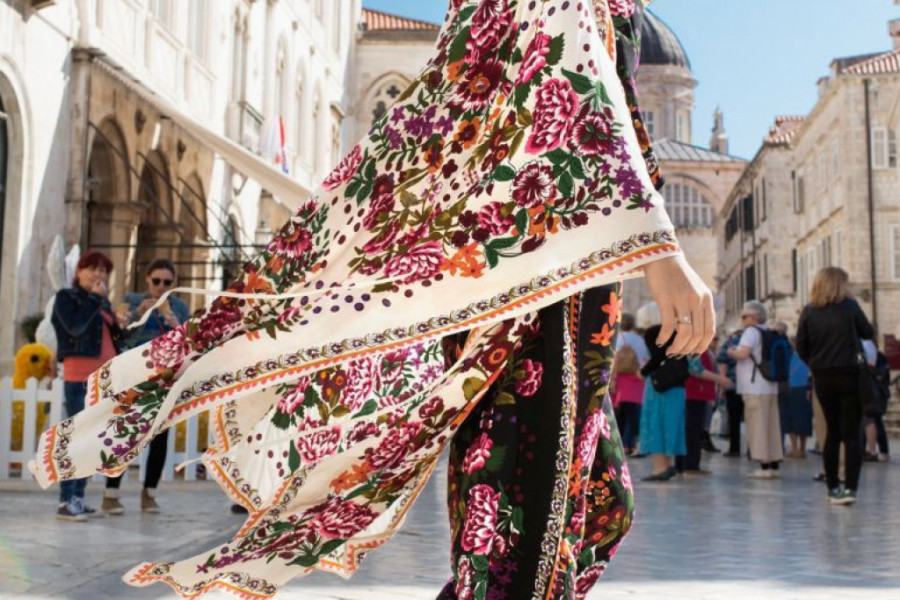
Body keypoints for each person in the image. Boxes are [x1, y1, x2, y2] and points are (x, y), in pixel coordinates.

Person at [31, 1, 716, 596]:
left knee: (593, 505)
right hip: (543, 266)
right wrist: (661, 254)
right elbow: (571, 86)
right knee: (527, 529)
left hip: (559, 263)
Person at [102, 258, 191, 515]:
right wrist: (139, 314)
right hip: (135, 377)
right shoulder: (131, 301)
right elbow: (120, 334)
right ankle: (110, 494)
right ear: (147, 280)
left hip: (165, 379)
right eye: (156, 281)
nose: (161, 287)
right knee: (125, 434)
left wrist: (171, 318)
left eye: (167, 282)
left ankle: (149, 493)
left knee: (160, 437)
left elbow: (187, 340)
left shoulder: (179, 307)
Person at [50, 250, 127, 521]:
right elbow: (75, 326)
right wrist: (95, 298)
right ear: (78, 272)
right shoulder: (66, 297)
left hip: (103, 379)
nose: (98, 274)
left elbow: (116, 340)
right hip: (79, 377)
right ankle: (65, 501)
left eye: (103, 270)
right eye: (93, 268)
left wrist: (122, 324)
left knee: (93, 441)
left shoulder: (102, 303)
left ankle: (78, 499)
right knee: (77, 438)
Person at [796, 267, 874, 505]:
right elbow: (868, 332)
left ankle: (832, 488)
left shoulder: (809, 311)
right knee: (852, 435)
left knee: (832, 432)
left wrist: (816, 363)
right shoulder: (850, 307)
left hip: (823, 376)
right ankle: (850, 487)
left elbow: (801, 346)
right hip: (849, 374)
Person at [640, 316, 730, 482]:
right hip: (678, 388)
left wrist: (643, 371)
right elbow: (693, 367)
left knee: (656, 424)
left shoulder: (660, 336)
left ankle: (660, 468)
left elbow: (656, 355)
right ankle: (669, 463)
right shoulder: (689, 343)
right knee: (672, 426)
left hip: (659, 387)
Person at [727, 301, 784, 478]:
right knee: (772, 426)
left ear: (754, 317)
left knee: (757, 426)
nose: (742, 319)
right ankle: (774, 464)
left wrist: (731, 352)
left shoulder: (751, 332)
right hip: (771, 386)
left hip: (754, 386)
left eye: (744, 316)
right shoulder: (770, 331)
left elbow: (743, 353)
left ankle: (764, 466)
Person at [676, 346, 729, 476]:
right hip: (694, 393)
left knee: (692, 429)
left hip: (696, 393)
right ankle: (690, 465)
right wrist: (719, 378)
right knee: (692, 430)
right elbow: (696, 369)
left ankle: (685, 464)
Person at [612, 312, 650, 456]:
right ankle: (629, 444)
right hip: (636, 381)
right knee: (632, 414)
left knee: (619, 414)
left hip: (619, 380)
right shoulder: (639, 340)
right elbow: (644, 360)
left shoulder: (616, 338)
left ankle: (620, 444)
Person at [782, 338, 812, 458]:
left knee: (791, 420)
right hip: (805, 389)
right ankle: (802, 449)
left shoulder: (789, 356)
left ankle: (795, 449)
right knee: (804, 419)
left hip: (791, 388)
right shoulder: (809, 357)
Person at [717, 327, 744, 457]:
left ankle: (734, 448)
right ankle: (753, 450)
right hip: (750, 387)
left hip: (732, 385)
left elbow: (723, 364)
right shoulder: (751, 342)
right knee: (751, 420)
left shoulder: (729, 343)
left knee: (734, 419)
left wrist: (722, 386)